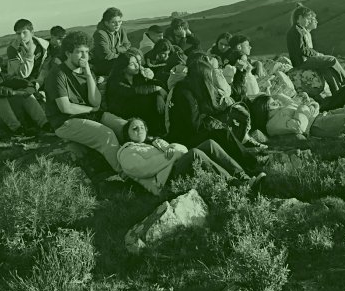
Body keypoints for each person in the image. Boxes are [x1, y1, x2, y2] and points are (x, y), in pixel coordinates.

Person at [44, 31, 127, 172]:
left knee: (126, 127)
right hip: (66, 121)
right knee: (106, 135)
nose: (84, 56)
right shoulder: (57, 74)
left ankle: (142, 164)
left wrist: (88, 73)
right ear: (68, 53)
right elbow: (65, 108)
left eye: (87, 52)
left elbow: (95, 102)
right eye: (79, 52)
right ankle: (125, 173)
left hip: (90, 115)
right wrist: (91, 110)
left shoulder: (86, 71)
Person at [167, 53, 265, 171]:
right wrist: (213, 124)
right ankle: (251, 163)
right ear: (202, 77)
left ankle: (248, 161)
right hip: (183, 138)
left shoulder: (190, 89)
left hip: (190, 133)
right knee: (222, 133)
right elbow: (194, 125)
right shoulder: (184, 94)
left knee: (224, 127)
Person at [117, 118, 262, 196]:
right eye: (134, 128)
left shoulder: (155, 142)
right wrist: (174, 153)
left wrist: (171, 148)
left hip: (175, 166)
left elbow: (181, 148)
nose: (139, 130)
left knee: (209, 144)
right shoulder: (126, 152)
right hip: (165, 182)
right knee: (195, 154)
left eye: (142, 127)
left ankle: (244, 176)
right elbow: (145, 169)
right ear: (127, 134)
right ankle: (237, 186)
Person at [285, 4, 345, 97]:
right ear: (299, 17)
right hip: (302, 62)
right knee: (332, 60)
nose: (309, 21)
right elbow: (302, 50)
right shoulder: (296, 30)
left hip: (303, 60)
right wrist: (316, 54)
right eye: (307, 19)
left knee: (326, 68)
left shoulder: (299, 30)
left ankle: (336, 91)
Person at [106, 48, 167, 135]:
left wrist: (158, 95)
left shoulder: (137, 76)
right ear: (123, 68)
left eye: (137, 62)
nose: (137, 66)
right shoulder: (114, 81)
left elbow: (157, 83)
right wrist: (156, 89)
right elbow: (130, 91)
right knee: (145, 100)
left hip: (139, 110)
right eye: (132, 64)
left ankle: (159, 131)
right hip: (123, 112)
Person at [6, 18, 52, 87]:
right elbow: (22, 74)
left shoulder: (44, 45)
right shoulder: (13, 49)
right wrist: (30, 55)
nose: (21, 36)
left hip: (40, 81)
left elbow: (45, 68)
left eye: (24, 32)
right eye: (18, 33)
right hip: (20, 84)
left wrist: (38, 82)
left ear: (32, 32)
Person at [91, 7, 132, 76]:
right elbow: (107, 55)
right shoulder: (100, 34)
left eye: (119, 21)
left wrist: (116, 49)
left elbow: (127, 45)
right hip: (103, 64)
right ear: (106, 23)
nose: (117, 24)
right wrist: (123, 57)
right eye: (113, 22)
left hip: (116, 60)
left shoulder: (120, 29)